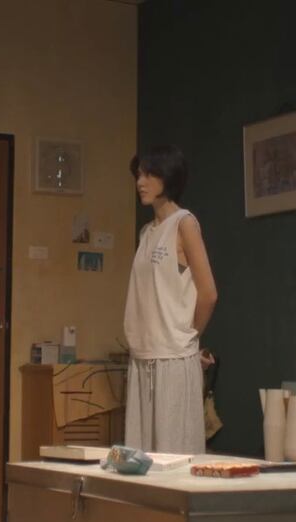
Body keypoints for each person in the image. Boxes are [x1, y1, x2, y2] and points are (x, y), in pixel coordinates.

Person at [123, 145, 218, 454]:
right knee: (140, 457)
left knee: (173, 455)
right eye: (138, 175)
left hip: (173, 360)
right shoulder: (146, 232)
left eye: (149, 175)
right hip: (143, 356)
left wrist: (188, 338)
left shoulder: (184, 223)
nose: (140, 182)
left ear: (168, 177)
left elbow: (208, 293)